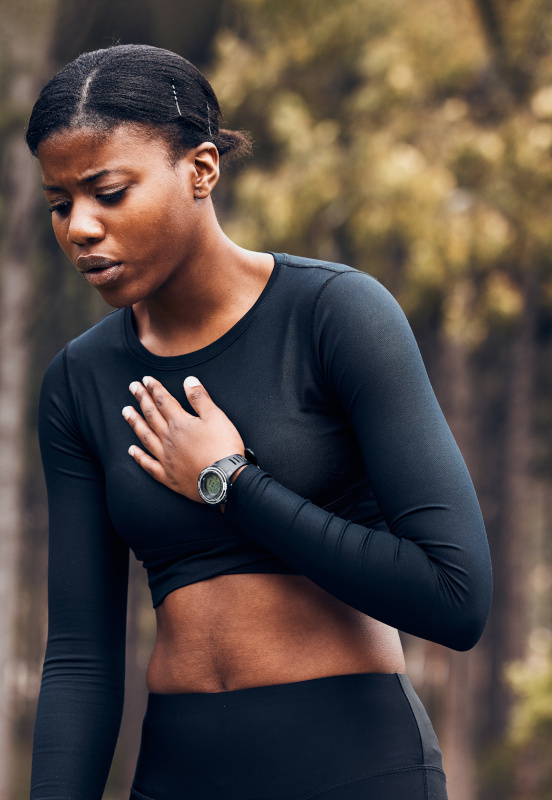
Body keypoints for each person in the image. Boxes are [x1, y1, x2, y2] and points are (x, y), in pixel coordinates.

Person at [25, 43, 492, 800]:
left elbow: (455, 595)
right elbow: (80, 658)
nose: (80, 226)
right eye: (59, 203)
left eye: (107, 192)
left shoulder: (335, 315)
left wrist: (231, 481)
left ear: (201, 170)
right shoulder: (79, 381)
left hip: (353, 766)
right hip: (177, 773)